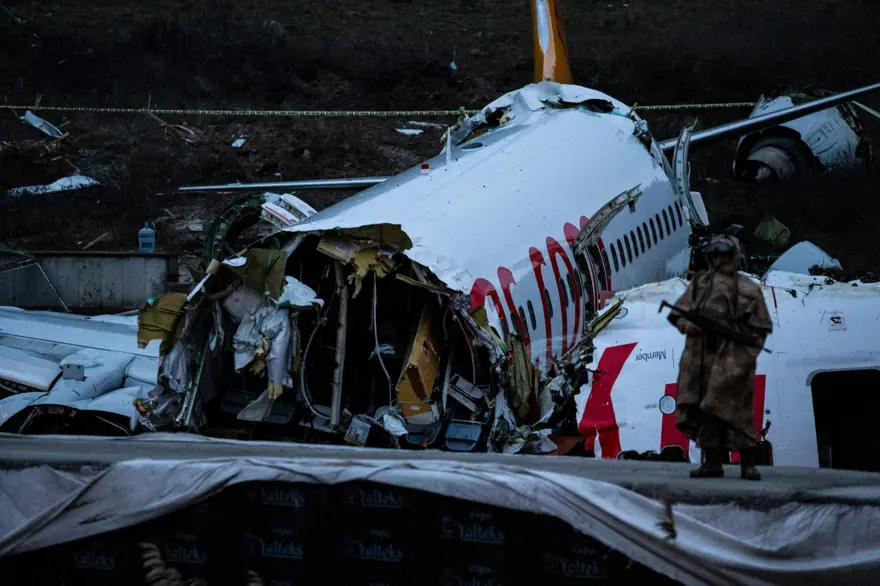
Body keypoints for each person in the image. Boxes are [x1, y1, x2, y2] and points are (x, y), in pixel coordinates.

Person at [668, 234, 773, 480]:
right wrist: (687, 325)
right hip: (701, 358)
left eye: (723, 255)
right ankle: (712, 461)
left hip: (734, 358)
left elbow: (759, 329)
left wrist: (742, 349)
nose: (718, 261)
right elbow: (677, 313)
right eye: (714, 255)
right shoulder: (700, 284)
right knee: (705, 410)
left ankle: (748, 463)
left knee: (738, 411)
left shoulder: (748, 290)